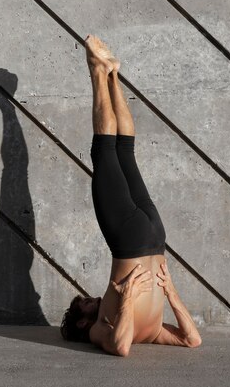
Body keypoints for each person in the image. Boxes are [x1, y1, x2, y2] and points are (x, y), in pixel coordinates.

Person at [60, 34, 202, 356]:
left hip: (154, 234)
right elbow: (123, 348)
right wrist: (163, 295)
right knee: (105, 151)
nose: (92, 299)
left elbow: (189, 338)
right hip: (131, 237)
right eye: (85, 303)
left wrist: (168, 295)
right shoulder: (100, 329)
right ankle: (99, 71)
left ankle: (113, 74)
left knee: (125, 151)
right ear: (82, 323)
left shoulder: (149, 333)